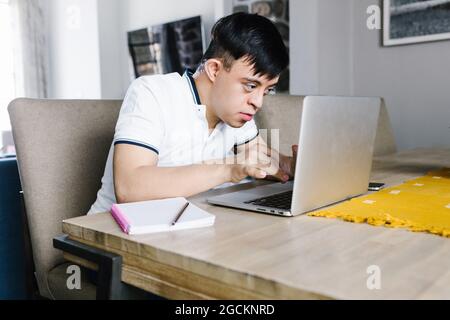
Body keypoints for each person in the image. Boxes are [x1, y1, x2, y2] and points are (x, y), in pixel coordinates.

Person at [88, 12, 297, 214]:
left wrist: (292, 165)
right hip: (107, 237)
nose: (258, 102)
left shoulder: (236, 113)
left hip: (184, 232)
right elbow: (130, 188)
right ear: (214, 70)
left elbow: (260, 160)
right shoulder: (152, 93)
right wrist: (229, 168)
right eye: (251, 86)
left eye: (267, 90)